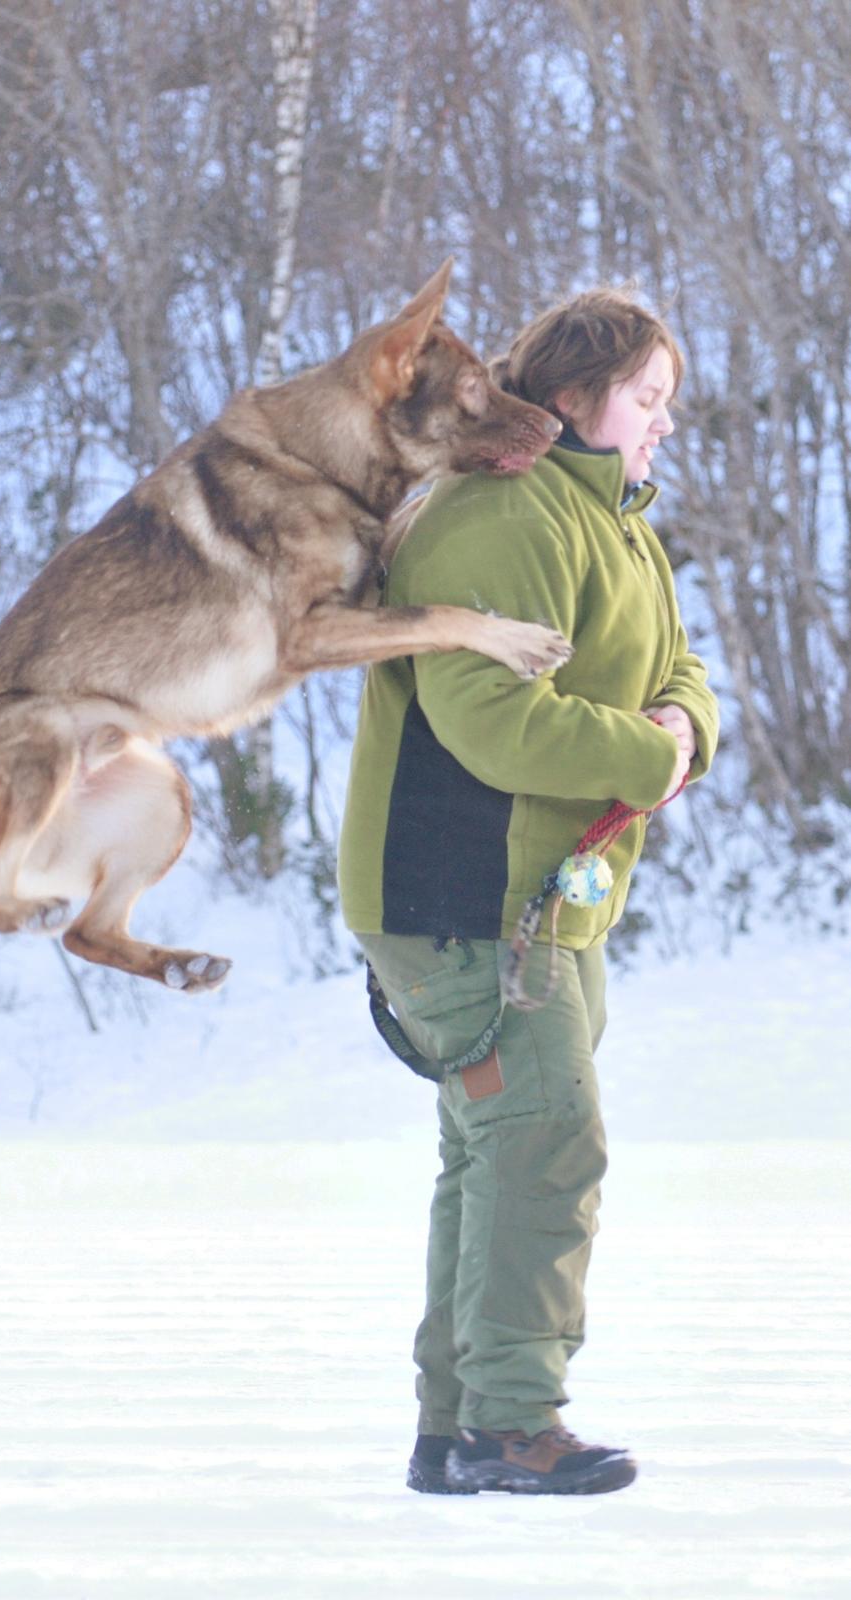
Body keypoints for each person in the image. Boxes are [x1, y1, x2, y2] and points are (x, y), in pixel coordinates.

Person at [337, 287, 719, 1497]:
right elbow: (489, 719)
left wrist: (680, 730)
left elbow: (678, 670)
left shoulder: (609, 521)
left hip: (542, 900)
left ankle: (456, 1429)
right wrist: (643, 754)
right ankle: (508, 1424)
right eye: (646, 399)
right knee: (545, 1141)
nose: (662, 424)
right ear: (569, 401)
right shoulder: (499, 514)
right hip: (459, 895)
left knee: (496, 1153)